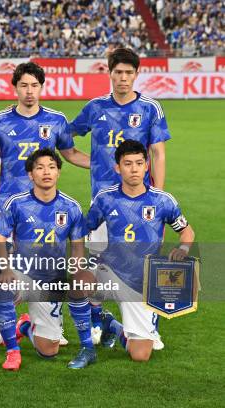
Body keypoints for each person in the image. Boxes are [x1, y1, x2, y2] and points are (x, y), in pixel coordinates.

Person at [0, 62, 90, 346]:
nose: (29, 91)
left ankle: (51, 321)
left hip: (48, 206)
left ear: (41, 87)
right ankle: (4, 326)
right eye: (24, 85)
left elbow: (70, 153)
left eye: (34, 85)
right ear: (15, 87)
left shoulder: (56, 120)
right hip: (9, 203)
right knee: (3, 265)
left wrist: (107, 164)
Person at [70, 47, 171, 347]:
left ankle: (146, 326)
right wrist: (92, 161)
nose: (123, 78)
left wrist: (159, 196)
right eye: (118, 72)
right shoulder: (95, 107)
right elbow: (67, 137)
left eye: (129, 72)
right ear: (110, 73)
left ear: (136, 74)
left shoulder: (150, 108)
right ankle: (100, 322)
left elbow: (158, 152)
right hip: (102, 202)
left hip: (142, 203)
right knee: (98, 264)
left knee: (142, 265)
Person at [87, 140, 194, 362]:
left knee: (141, 355)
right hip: (109, 271)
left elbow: (187, 232)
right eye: (127, 163)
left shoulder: (162, 201)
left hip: (141, 281)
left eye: (139, 163)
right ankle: (93, 314)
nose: (134, 169)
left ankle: (112, 326)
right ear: (118, 167)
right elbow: (82, 230)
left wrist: (183, 248)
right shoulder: (104, 199)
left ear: (147, 166)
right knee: (79, 278)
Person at [0, 148, 92, 371]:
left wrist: (77, 275)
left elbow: (77, 249)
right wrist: (6, 270)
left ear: (58, 172)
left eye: (52, 167)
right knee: (1, 280)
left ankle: (25, 326)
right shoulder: (15, 203)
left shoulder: (71, 207)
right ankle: (12, 351)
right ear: (30, 175)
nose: (46, 172)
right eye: (39, 167)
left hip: (51, 279)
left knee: (49, 350)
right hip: (22, 274)